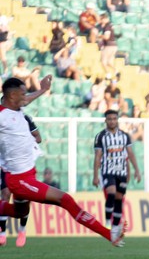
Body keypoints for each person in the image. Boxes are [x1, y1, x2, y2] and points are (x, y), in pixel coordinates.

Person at [0, 77, 125, 247]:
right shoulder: (2, 116)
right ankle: (109, 234)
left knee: (19, 211)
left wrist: (43, 90)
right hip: (20, 180)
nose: (26, 97)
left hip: (28, 173)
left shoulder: (15, 107)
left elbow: (27, 100)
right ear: (12, 95)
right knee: (65, 199)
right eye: (23, 94)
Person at [94, 109, 141, 229]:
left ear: (117, 120)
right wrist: (95, 176)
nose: (112, 121)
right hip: (107, 170)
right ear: (106, 120)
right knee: (111, 192)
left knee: (119, 198)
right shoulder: (100, 136)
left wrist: (137, 170)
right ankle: (108, 220)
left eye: (114, 119)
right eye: (109, 119)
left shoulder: (125, 136)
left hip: (122, 171)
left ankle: (115, 226)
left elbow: (130, 153)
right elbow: (98, 156)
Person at [0, 110, 41, 247]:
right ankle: (2, 233)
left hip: (23, 166)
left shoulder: (25, 119)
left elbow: (38, 138)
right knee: (5, 195)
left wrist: (22, 142)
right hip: (6, 165)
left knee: (24, 199)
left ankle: (22, 229)